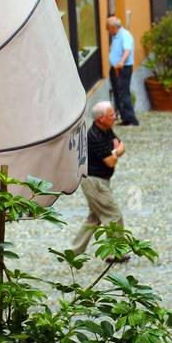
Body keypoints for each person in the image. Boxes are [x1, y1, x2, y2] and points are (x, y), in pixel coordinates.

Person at [71, 101, 127, 254]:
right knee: (114, 215)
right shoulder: (93, 136)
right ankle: (115, 253)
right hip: (95, 182)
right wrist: (115, 152)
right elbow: (111, 161)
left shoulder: (106, 129)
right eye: (111, 115)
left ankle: (74, 251)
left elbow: (122, 146)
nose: (115, 117)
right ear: (101, 118)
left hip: (100, 180)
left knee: (94, 218)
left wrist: (115, 151)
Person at [106, 15, 139, 126]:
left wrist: (121, 61)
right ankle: (125, 118)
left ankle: (131, 119)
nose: (108, 31)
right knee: (117, 93)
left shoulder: (125, 35)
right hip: (115, 68)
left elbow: (127, 50)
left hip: (123, 68)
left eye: (108, 28)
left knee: (123, 93)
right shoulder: (115, 36)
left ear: (113, 27)